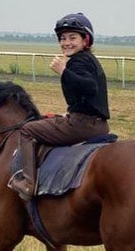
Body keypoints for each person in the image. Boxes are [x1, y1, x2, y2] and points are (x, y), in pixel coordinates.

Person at [9, 12, 111, 201]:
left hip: (82, 126)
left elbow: (90, 87)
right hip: (97, 124)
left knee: (28, 130)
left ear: (85, 40)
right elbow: (90, 98)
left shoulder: (78, 61)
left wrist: (63, 71)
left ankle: (28, 184)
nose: (66, 43)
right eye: (63, 38)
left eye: (73, 37)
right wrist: (71, 111)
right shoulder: (88, 60)